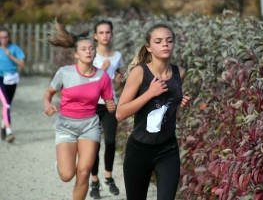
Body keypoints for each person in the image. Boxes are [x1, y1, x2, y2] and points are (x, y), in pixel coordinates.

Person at [116, 23, 191, 200]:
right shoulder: (140, 72)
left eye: (169, 41)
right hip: (139, 150)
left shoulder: (179, 72)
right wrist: (150, 93)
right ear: (148, 47)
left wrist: (181, 102)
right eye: (158, 41)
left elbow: (166, 108)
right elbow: (120, 113)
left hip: (168, 149)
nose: (165, 44)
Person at [42, 20, 116, 200]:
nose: (89, 51)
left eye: (91, 49)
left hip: (90, 126)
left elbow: (108, 100)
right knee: (67, 175)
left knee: (83, 173)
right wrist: (47, 104)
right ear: (76, 54)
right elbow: (48, 93)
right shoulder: (65, 72)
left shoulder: (102, 76)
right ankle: (61, 164)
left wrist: (111, 105)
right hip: (66, 125)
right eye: (83, 49)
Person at [89, 20, 124, 199]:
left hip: (110, 103)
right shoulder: (90, 56)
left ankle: (109, 178)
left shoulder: (117, 55)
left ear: (111, 34)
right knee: (94, 144)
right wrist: (101, 70)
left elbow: (119, 75)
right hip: (92, 105)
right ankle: (94, 181)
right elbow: (84, 82)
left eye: (107, 32)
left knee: (110, 142)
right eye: (101, 32)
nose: (105, 35)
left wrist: (119, 78)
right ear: (95, 35)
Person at [0, 26, 26, 143]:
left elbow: (22, 64)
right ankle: (9, 131)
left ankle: (3, 125)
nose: (4, 39)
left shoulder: (14, 48)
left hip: (11, 79)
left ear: (9, 37)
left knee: (8, 104)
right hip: (0, 79)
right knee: (6, 105)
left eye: (6, 37)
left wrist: (10, 55)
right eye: (1, 37)